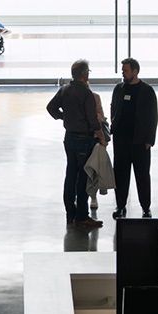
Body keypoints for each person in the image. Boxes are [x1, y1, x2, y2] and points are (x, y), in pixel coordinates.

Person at [46, 59, 107, 228]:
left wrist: (63, 117)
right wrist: (102, 137)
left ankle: (70, 214)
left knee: (70, 175)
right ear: (85, 74)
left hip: (69, 138)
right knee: (83, 177)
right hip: (84, 139)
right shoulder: (86, 94)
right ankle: (82, 216)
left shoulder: (64, 90)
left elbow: (51, 107)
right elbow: (93, 121)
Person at [109, 57, 158, 219]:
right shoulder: (119, 89)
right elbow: (113, 108)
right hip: (121, 141)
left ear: (135, 71)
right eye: (123, 71)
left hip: (140, 141)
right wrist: (113, 127)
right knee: (120, 175)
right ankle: (120, 206)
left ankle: (146, 207)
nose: (123, 73)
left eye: (126, 71)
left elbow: (153, 116)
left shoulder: (146, 91)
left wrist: (149, 140)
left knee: (142, 175)